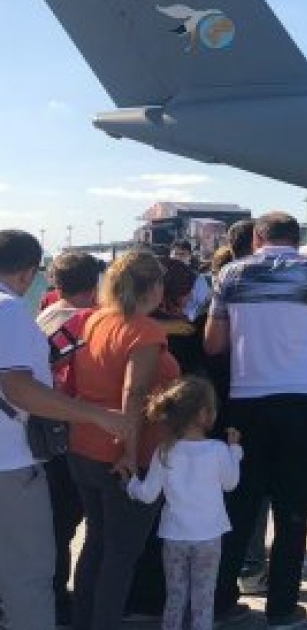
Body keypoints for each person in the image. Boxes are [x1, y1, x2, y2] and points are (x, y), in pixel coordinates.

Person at [206, 212, 307, 629]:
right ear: (297, 240)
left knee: (240, 506)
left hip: (246, 400)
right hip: (304, 399)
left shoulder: (231, 274)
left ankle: (221, 600)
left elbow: (213, 343)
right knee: (293, 510)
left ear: (257, 238)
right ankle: (283, 608)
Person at [0, 230, 131, 630]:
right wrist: (97, 416)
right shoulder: (8, 310)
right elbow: (18, 388)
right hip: (10, 466)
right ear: (28, 273)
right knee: (28, 578)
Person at [69, 250, 182, 630]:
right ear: (153, 287)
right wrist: (130, 454)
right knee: (120, 556)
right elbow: (134, 393)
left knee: (97, 544)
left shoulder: (95, 319)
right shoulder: (145, 330)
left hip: (84, 444)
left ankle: (84, 621)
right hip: (124, 452)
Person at [127, 377, 243, 630]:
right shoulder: (218, 450)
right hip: (209, 536)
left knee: (175, 597)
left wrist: (131, 482)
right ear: (204, 414)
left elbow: (147, 494)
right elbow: (231, 483)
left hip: (174, 535)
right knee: (203, 600)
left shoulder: (164, 451)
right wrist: (235, 451)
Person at [35, 251, 101, 625]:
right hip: (70, 433)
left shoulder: (44, 317)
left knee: (54, 526)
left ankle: (54, 597)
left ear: (55, 283)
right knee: (69, 524)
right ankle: (63, 602)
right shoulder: (85, 321)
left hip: (41, 433)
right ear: (95, 283)